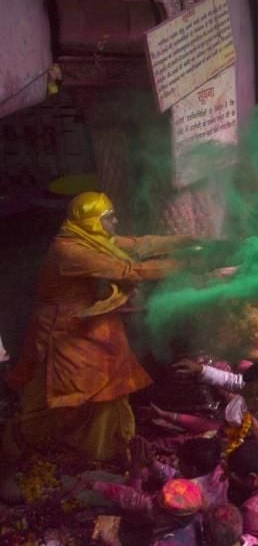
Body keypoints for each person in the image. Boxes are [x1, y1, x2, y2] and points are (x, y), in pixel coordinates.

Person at [3, 192, 193, 463]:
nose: (115, 221)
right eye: (109, 217)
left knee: (109, 390)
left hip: (90, 326)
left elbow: (140, 245)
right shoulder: (70, 251)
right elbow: (130, 271)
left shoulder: (91, 239)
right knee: (71, 398)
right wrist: (186, 264)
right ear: (92, 221)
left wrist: (188, 241)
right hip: (64, 333)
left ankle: (106, 453)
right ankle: (22, 457)